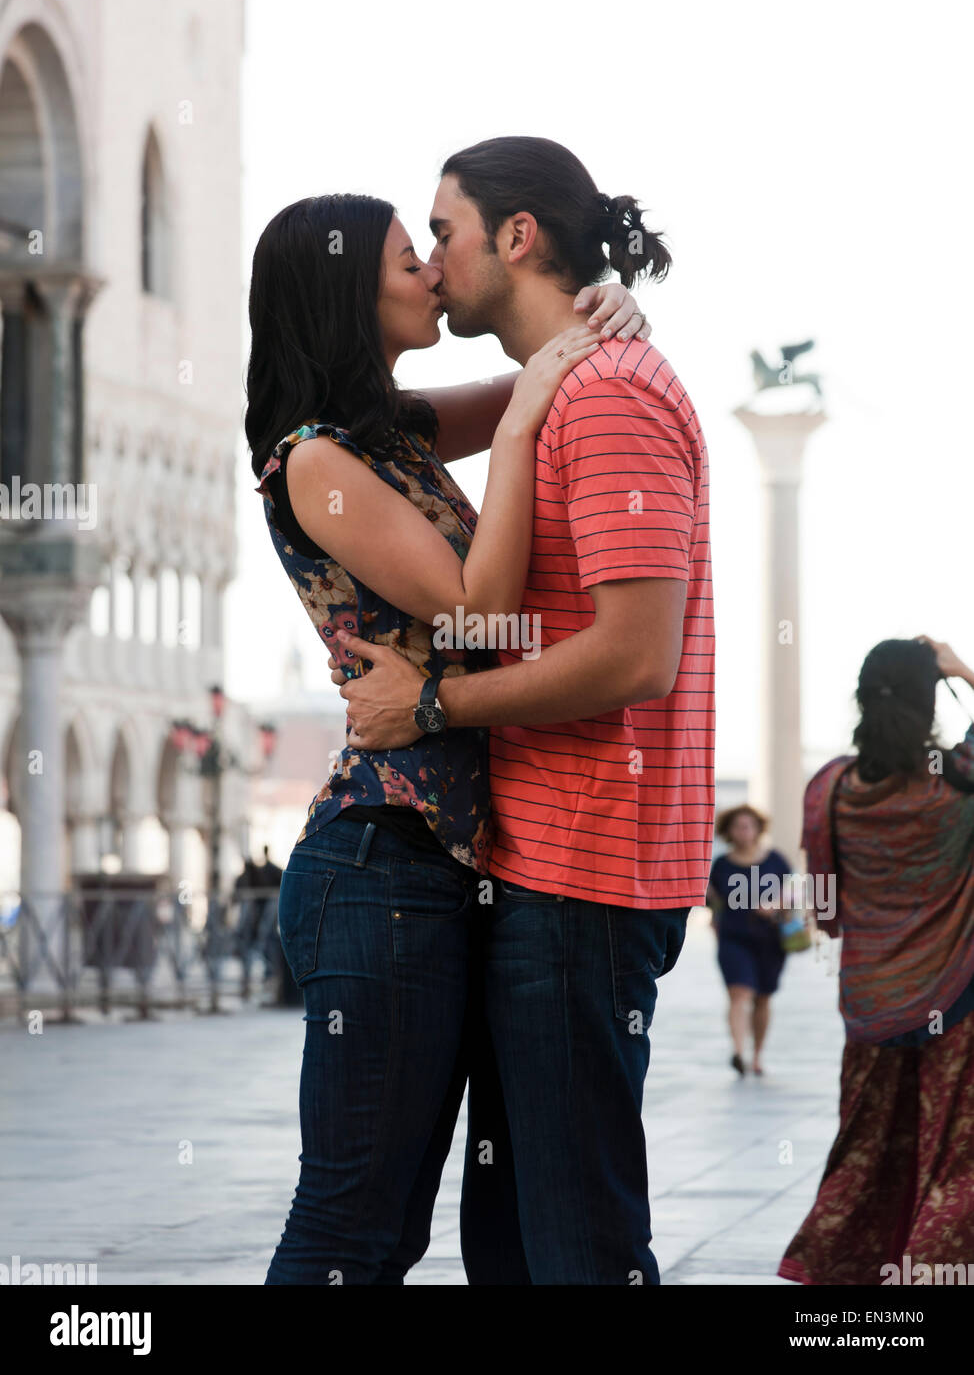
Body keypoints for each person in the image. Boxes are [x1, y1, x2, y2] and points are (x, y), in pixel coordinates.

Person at [330, 136, 715, 1284]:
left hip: (583, 871)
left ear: (516, 235)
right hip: (547, 866)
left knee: (577, 1243)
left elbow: (635, 657)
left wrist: (435, 705)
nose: (433, 263)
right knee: (514, 1242)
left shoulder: (603, 399)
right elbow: (367, 426)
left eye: (440, 232)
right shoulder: (567, 386)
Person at [246, 184, 647, 1285]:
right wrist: (519, 425)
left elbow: (542, 358)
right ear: (342, 289)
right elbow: (474, 608)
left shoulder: (394, 433)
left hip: (447, 866)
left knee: (418, 1227)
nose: (431, 270)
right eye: (404, 256)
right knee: (353, 1228)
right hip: (379, 860)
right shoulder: (316, 462)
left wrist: (605, 303)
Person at [779, 636, 974, 1285]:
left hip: (870, 1008)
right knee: (953, 1161)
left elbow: (828, 911)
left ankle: (834, 1275)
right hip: (961, 1002)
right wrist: (960, 670)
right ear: (929, 704)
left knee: (865, 1155)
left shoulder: (829, 788)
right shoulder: (959, 782)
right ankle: (934, 1275)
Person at [707, 805, 790, 1076]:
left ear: (758, 829)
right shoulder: (721, 865)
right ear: (729, 831)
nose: (744, 831)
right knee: (738, 993)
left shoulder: (776, 861)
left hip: (770, 940)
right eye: (738, 826)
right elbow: (712, 902)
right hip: (733, 938)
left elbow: (794, 896)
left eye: (749, 825)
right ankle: (738, 1052)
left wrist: (776, 906)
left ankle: (757, 1056)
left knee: (763, 998)